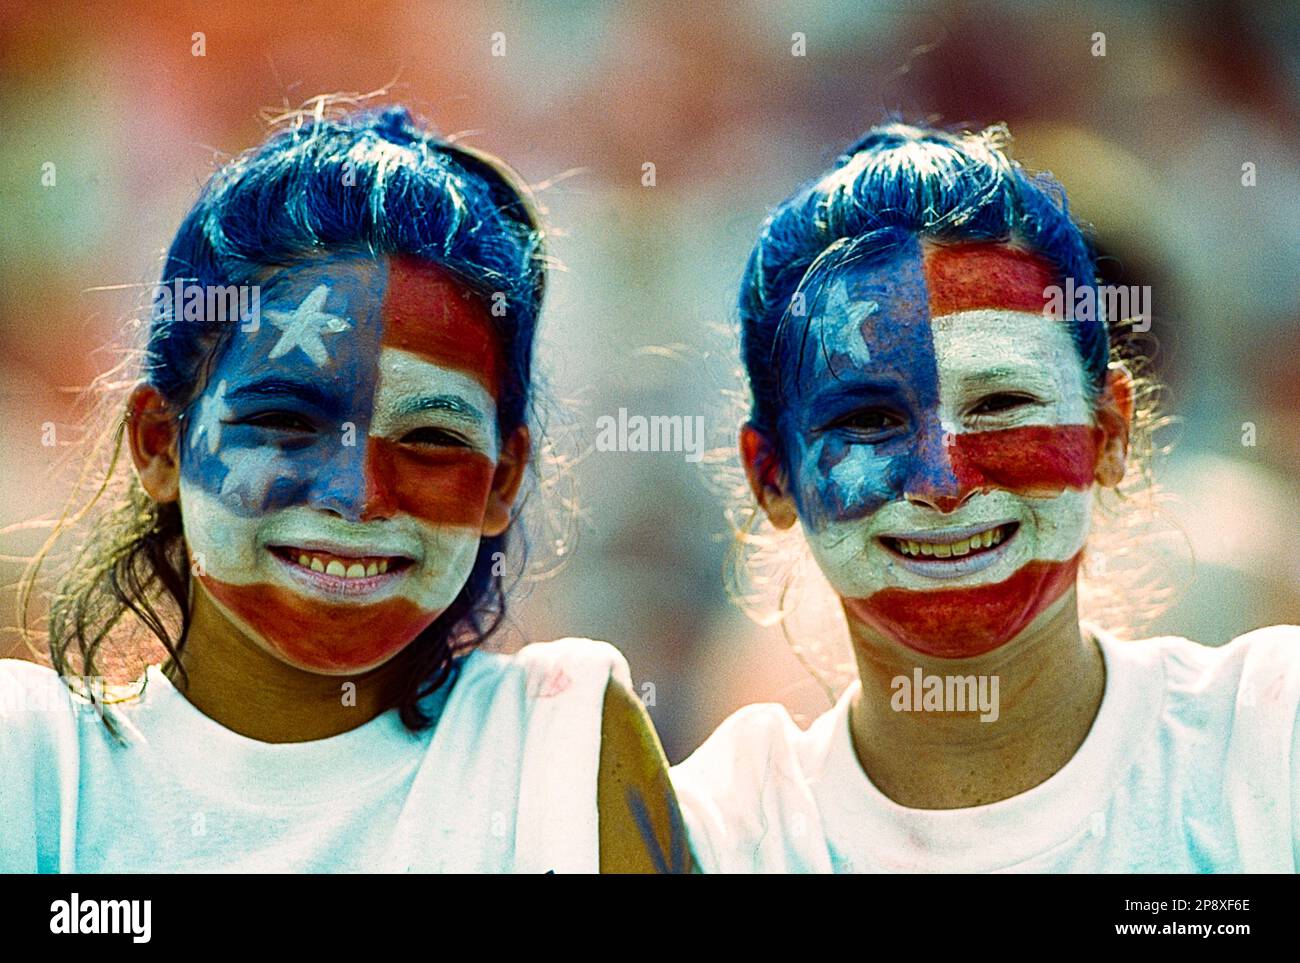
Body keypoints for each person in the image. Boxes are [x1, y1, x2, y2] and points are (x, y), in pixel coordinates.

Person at [1, 102, 687, 874]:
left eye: (431, 437)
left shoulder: (562, 751)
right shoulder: (33, 768)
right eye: (286, 419)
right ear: (160, 443)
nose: (357, 494)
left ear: (502, 480)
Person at [671, 122, 1299, 873]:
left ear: (1110, 432)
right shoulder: (715, 837)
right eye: (869, 419)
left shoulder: (1270, 741)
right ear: (772, 477)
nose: (943, 480)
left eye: (1001, 403)